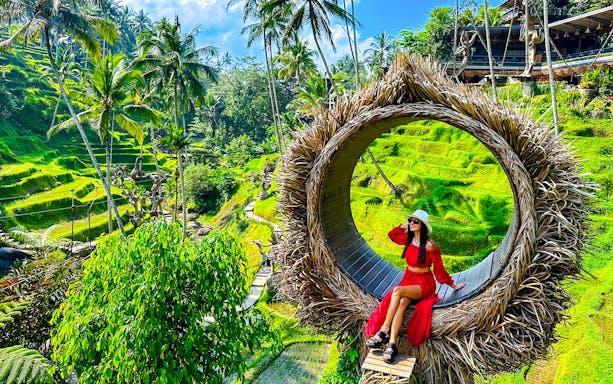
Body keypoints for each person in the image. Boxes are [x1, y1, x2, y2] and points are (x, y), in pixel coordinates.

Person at [364, 209, 466, 363]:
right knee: (402, 302)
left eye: (415, 221)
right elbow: (392, 235)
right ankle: (392, 344)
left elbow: (439, 270)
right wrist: (404, 226)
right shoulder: (408, 239)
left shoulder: (431, 246)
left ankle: (383, 331)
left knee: (397, 291)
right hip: (408, 280)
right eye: (410, 220)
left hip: (424, 284)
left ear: (423, 226)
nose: (412, 223)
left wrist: (452, 284)